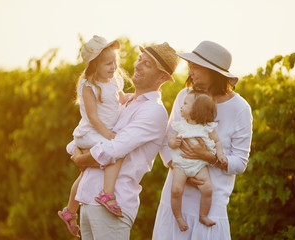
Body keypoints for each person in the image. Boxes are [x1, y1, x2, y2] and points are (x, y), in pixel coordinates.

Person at [70, 42, 179, 240]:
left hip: (113, 206)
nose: (138, 65)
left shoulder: (153, 111)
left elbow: (113, 149)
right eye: (140, 59)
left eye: (147, 64)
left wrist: (80, 159)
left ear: (162, 77)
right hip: (89, 199)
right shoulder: (124, 101)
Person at [153, 40, 253, 240]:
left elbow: (240, 162)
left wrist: (210, 157)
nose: (191, 72)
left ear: (213, 72)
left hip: (209, 207)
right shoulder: (184, 97)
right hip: (175, 200)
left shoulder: (240, 108)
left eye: (196, 67)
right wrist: (181, 169)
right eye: (191, 66)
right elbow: (165, 142)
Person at [58, 35, 130, 238]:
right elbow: (93, 117)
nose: (113, 67)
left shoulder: (116, 81)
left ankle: (70, 211)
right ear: (94, 66)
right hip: (90, 133)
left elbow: (122, 98)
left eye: (115, 62)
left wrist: (134, 99)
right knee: (115, 152)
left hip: (100, 133)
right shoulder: (90, 86)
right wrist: (110, 136)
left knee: (85, 174)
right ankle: (107, 194)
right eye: (108, 63)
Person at [169, 90, 227, 232]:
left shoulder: (207, 128)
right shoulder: (180, 125)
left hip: (199, 165)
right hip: (181, 164)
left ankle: (203, 215)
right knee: (176, 189)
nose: (181, 107)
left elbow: (217, 142)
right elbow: (170, 142)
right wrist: (174, 143)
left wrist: (220, 155)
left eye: (185, 104)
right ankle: (178, 216)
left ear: (197, 109)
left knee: (207, 189)